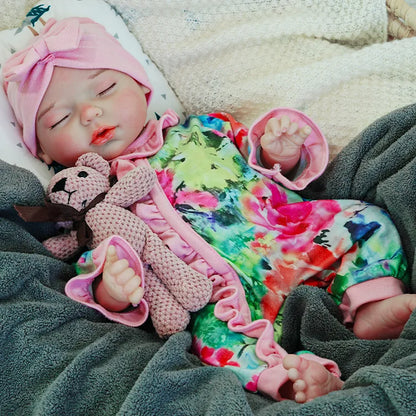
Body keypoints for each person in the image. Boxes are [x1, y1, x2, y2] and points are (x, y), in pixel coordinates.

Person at [3, 16, 416, 403]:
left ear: (142, 88)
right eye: (59, 119)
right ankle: (290, 380)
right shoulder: (94, 207)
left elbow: (260, 162)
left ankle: (372, 303)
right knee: (212, 346)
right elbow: (94, 268)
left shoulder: (204, 129)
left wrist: (279, 152)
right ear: (44, 152)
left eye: (105, 89)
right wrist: (113, 290)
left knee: (364, 220)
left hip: (285, 237)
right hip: (218, 299)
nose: (91, 112)